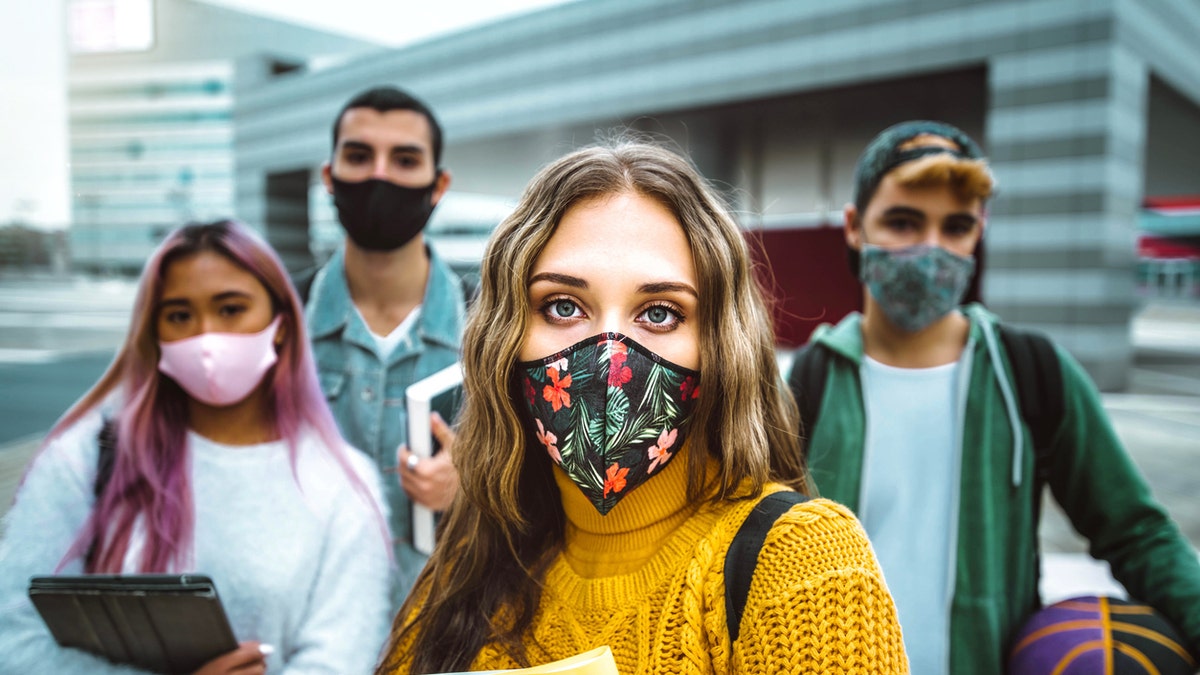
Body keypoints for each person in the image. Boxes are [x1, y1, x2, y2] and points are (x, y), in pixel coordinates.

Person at [375, 140, 909, 674]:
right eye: (564, 306)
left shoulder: (799, 566)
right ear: (506, 339)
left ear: (720, 345)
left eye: (659, 312)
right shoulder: (463, 571)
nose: (610, 357)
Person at [787, 120, 1200, 674]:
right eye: (904, 222)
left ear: (978, 231)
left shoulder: (1032, 372)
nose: (931, 251)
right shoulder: (810, 381)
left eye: (955, 227)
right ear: (856, 227)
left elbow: (1135, 531)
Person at [0, 220, 392, 673]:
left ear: (281, 324)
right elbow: (15, 640)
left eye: (230, 309)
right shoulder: (84, 457)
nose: (207, 337)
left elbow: (340, 660)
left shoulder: (345, 484)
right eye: (180, 316)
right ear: (155, 333)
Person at [305, 86, 465, 605]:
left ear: (437, 184)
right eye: (358, 156)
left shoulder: (494, 323)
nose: (379, 175)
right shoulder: (277, 320)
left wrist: (474, 485)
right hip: (311, 626)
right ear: (329, 177)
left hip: (446, 623)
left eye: (404, 159)